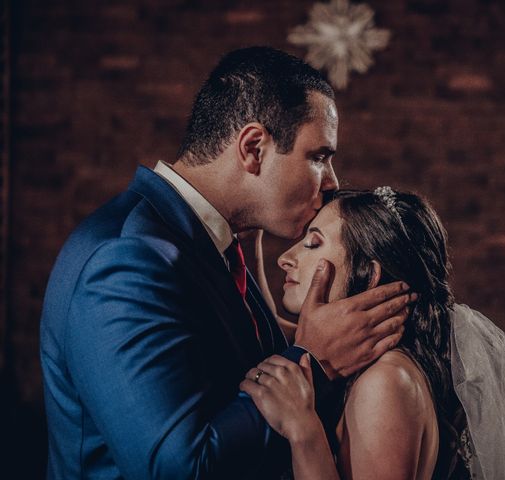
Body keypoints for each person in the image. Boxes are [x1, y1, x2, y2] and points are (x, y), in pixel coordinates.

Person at [39, 48, 413, 479]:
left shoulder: (210, 242)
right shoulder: (127, 258)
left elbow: (244, 365)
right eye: (318, 156)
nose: (331, 182)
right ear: (254, 148)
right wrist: (314, 358)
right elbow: (177, 469)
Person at [241, 188, 505, 480]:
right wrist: (244, 245)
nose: (286, 258)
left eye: (313, 243)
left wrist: (304, 431)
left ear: (368, 274)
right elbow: (277, 330)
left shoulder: (386, 382)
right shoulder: (372, 362)